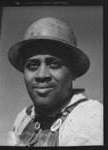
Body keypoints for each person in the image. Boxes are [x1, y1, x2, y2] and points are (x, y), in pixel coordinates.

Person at [8, 17, 103, 146]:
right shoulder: (23, 119)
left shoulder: (89, 117)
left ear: (73, 72)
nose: (42, 75)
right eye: (33, 65)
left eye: (54, 64)